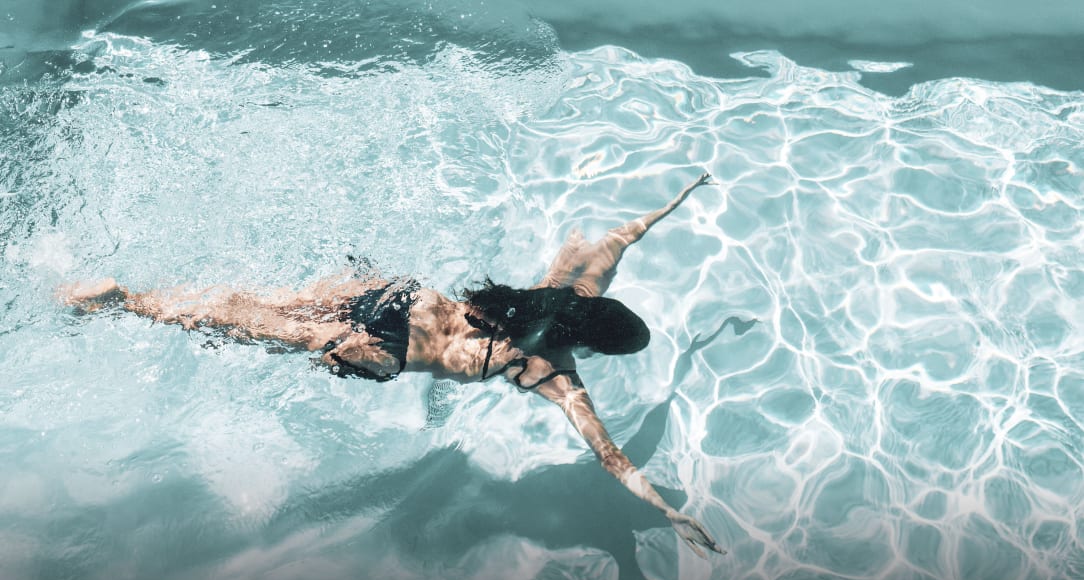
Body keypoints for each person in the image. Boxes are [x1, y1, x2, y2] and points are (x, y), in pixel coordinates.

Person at [60, 171, 724, 557]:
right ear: (591, 345)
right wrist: (666, 510)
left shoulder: (564, 292)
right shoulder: (553, 371)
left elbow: (619, 238)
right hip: (386, 350)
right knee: (246, 327)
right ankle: (126, 302)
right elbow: (610, 455)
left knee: (254, 301)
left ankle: (149, 293)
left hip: (399, 295)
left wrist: (683, 196)